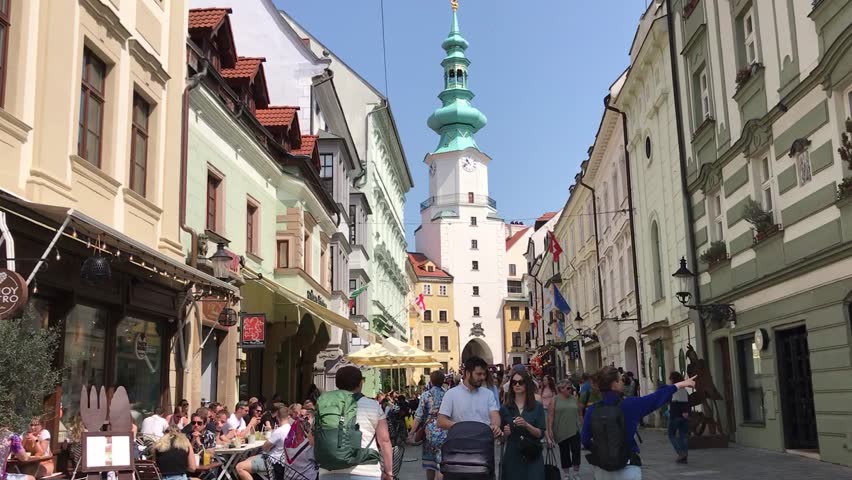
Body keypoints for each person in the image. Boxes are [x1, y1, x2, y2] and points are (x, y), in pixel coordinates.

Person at [581, 366, 696, 479]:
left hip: (602, 470)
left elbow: (585, 439)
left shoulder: (592, 410)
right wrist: (680, 384)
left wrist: (602, 451)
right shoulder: (630, 404)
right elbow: (655, 398)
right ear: (614, 384)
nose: (623, 382)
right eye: (621, 379)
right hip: (627, 466)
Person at [318, 365, 394, 480]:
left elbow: (313, 439)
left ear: (337, 384)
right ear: (360, 383)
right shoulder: (373, 405)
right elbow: (384, 440)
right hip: (365, 471)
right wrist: (388, 472)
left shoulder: (325, 404)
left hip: (328, 471)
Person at [437, 356, 501, 437]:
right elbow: (441, 421)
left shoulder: (488, 394)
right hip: (460, 441)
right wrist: (464, 428)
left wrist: (495, 426)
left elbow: (494, 414)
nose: (482, 377)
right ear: (467, 373)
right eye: (478, 374)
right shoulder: (451, 394)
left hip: (483, 441)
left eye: (484, 374)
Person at [500, 369, 546, 480]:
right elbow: (501, 438)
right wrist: (505, 434)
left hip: (532, 454)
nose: (517, 385)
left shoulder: (537, 406)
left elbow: (540, 433)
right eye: (514, 382)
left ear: (527, 384)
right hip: (513, 455)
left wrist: (526, 425)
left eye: (520, 382)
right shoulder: (505, 408)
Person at [408, 371, 448, 480]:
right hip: (444, 431)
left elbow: (418, 416)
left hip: (429, 432)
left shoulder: (426, 395)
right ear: (443, 381)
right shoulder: (447, 395)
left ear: (431, 381)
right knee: (441, 464)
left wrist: (411, 433)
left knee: (430, 465)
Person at [235, 405, 291, 480]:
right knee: (248, 459)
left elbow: (265, 447)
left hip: (272, 462)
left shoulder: (279, 431)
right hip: (284, 462)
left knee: (239, 467)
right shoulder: (291, 430)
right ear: (288, 417)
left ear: (277, 417)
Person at [547, 380, 581, 480]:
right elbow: (550, 416)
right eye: (568, 388)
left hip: (574, 429)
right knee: (564, 452)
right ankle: (566, 474)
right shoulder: (554, 400)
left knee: (576, 451)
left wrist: (580, 425)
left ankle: (576, 473)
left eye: (571, 388)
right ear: (561, 389)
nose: (570, 390)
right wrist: (549, 430)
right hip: (560, 429)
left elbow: (579, 413)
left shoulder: (574, 398)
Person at [668, 372, 691, 464]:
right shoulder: (684, 390)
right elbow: (688, 402)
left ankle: (681, 453)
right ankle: (685, 456)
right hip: (685, 416)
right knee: (683, 435)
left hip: (675, 415)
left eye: (670, 379)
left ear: (673, 380)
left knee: (671, 434)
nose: (670, 381)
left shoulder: (674, 390)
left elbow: (672, 402)